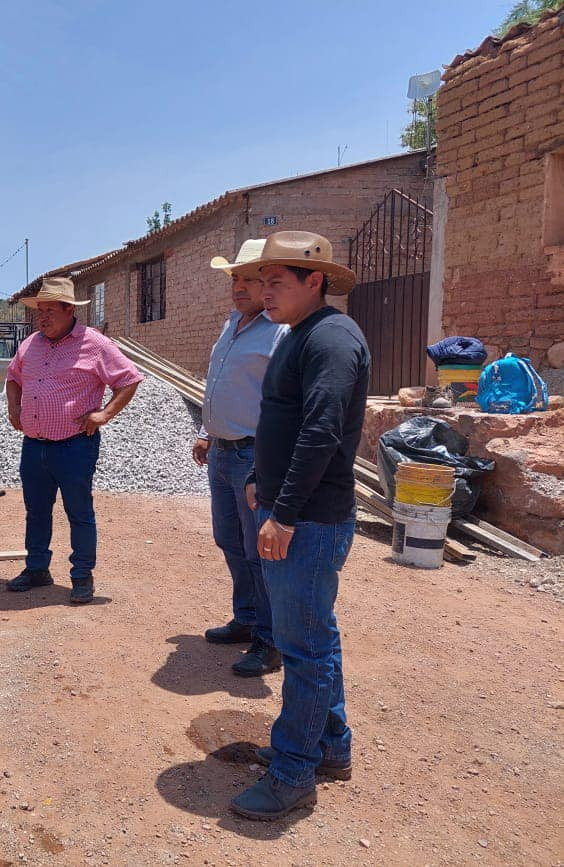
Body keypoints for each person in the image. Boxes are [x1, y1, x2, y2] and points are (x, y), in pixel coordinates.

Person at [224, 231, 370, 820]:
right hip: (291, 508)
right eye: (261, 283)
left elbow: (322, 430)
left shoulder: (331, 338)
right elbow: (278, 415)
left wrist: (283, 513)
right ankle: (330, 746)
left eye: (275, 282)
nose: (263, 293)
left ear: (316, 281)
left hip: (308, 520)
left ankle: (292, 775)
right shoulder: (298, 334)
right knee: (316, 635)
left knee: (302, 648)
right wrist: (261, 470)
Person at [4, 276, 142, 604]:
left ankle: (82, 575)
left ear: (69, 310)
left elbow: (129, 379)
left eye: (51, 310)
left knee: (78, 511)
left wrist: (104, 415)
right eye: (41, 310)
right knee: (36, 511)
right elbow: (13, 377)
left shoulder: (94, 344)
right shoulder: (31, 344)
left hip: (74, 446)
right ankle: (37, 568)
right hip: (34, 445)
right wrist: (14, 403)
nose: (44, 317)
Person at [194, 239, 288, 677]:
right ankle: (247, 618)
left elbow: (281, 406)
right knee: (229, 542)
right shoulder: (232, 323)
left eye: (249, 278)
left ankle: (269, 641)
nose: (239, 286)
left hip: (253, 456)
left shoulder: (280, 332)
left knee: (258, 551)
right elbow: (218, 384)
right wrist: (205, 433)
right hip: (221, 453)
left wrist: (263, 463)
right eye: (234, 278)